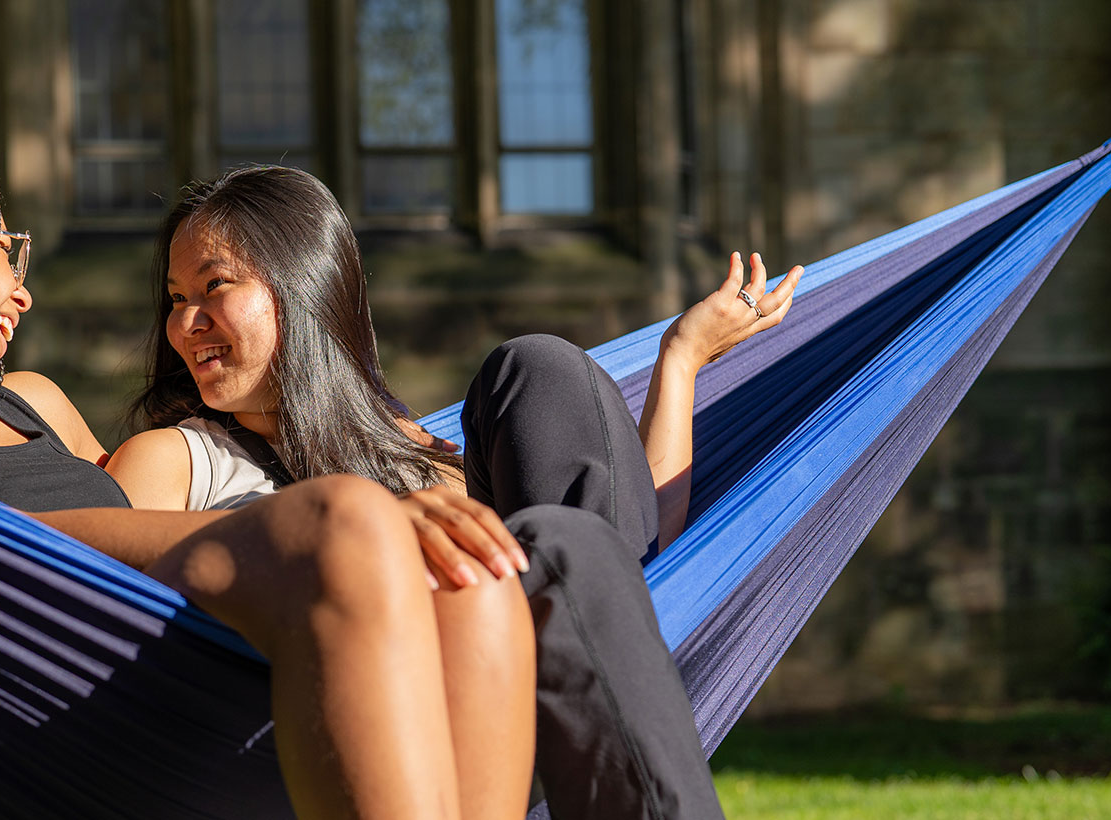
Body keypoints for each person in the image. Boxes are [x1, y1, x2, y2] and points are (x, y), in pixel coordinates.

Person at [0, 129, 539, 819]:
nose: (23, 291)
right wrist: (317, 525)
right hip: (91, 721)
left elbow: (178, 488)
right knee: (346, 522)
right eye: (5, 255)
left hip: (210, 653)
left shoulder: (28, 403)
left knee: (467, 578)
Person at [106, 165, 804, 820]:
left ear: (302, 286)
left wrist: (679, 363)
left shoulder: (428, 456)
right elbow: (100, 627)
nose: (183, 324)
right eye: (175, 299)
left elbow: (632, 569)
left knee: (540, 369)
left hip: (546, 696)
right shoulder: (175, 459)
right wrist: (350, 536)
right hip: (346, 737)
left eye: (213, 287)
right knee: (561, 547)